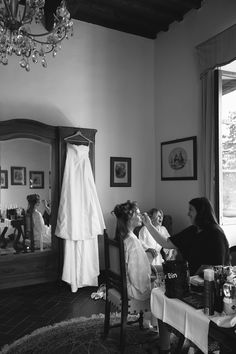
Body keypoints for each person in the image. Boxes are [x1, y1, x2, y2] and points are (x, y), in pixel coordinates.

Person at [142, 197, 230, 353]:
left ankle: (200, 344)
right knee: (160, 295)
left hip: (209, 289)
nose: (187, 213)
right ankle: (165, 346)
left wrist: (193, 279)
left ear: (201, 212)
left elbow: (217, 268)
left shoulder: (216, 234)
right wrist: (148, 224)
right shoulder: (193, 230)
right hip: (189, 283)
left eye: (191, 210)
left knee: (171, 300)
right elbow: (166, 243)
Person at [112, 200, 152, 301]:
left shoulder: (122, 236)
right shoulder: (132, 241)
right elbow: (139, 277)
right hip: (131, 291)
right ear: (129, 218)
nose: (141, 217)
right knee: (160, 291)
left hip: (118, 285)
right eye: (138, 214)